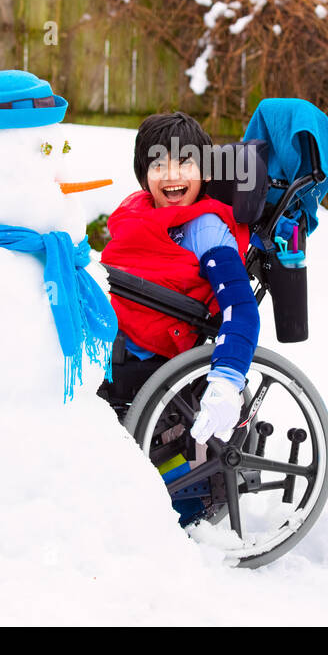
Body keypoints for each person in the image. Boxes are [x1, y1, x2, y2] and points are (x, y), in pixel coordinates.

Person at [98, 112, 260, 448]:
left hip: (146, 348)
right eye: (158, 165)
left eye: (185, 163)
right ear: (143, 175)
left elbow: (240, 308)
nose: (171, 176)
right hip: (113, 323)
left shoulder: (207, 229)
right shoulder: (140, 214)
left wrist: (227, 379)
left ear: (205, 171)